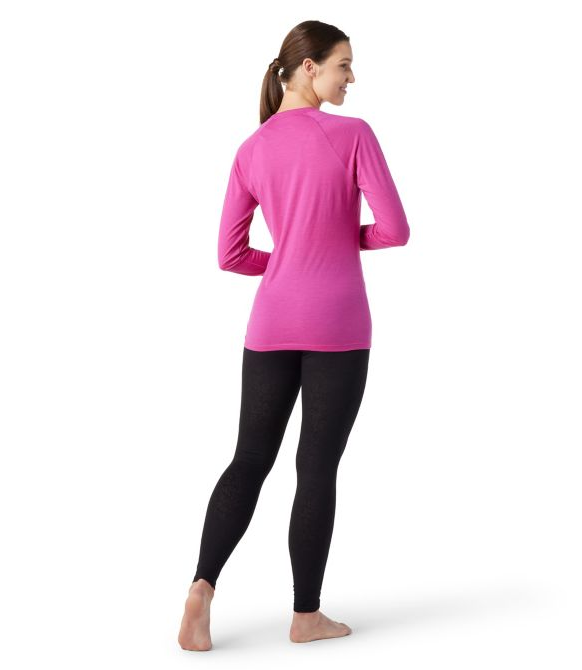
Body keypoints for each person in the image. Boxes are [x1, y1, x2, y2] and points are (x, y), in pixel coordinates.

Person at [178, 20, 409, 651]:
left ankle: (201, 587)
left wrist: (285, 258)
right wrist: (337, 241)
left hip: (271, 322)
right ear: (309, 67)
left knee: (249, 460)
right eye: (344, 65)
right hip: (338, 323)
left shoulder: (252, 149)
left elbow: (230, 255)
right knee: (316, 467)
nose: (351, 78)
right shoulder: (352, 135)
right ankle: (306, 617)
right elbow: (394, 229)